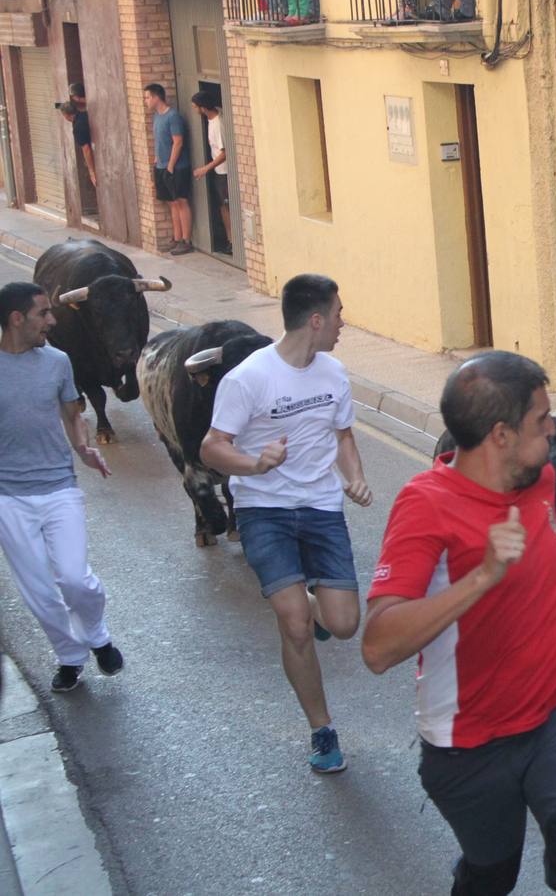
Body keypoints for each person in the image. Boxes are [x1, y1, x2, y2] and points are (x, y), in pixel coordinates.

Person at [362, 351, 556, 896]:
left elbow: (551, 547)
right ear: (500, 434)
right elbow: (378, 645)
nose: (555, 427)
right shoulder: (425, 505)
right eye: (541, 419)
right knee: (491, 872)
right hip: (469, 742)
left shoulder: (540, 478)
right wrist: (481, 578)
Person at [200, 273, 371, 774]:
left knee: (342, 624)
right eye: (338, 313)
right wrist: (255, 465)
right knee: (294, 622)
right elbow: (212, 447)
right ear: (315, 321)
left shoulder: (334, 373)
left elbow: (343, 436)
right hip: (264, 510)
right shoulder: (249, 379)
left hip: (321, 507)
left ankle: (313, 605)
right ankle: (322, 731)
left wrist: (354, 478)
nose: (342, 322)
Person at [0, 282, 123, 694]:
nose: (51, 320)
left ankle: (97, 634)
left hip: (58, 487)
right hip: (8, 498)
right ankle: (71, 656)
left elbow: (73, 414)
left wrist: (83, 448)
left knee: (74, 578)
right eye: (43, 313)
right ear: (17, 319)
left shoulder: (57, 362)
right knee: (39, 593)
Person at [143, 83, 193, 256]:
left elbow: (177, 141)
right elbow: (159, 142)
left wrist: (170, 165)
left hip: (176, 167)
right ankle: (176, 237)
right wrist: (157, 163)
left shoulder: (173, 116)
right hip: (161, 165)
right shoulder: (157, 117)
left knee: (181, 201)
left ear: (157, 97)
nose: (146, 101)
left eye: (148, 97)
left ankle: (186, 240)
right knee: (171, 202)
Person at [190, 91, 232, 256]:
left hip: (224, 172)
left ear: (203, 108)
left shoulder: (218, 124)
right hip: (218, 171)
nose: (195, 111)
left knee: (227, 207)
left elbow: (224, 153)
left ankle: (232, 242)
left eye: (196, 107)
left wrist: (205, 168)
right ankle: (229, 240)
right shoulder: (213, 118)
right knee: (223, 207)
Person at [58, 100, 95, 188]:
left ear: (66, 115)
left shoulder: (77, 128)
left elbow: (86, 149)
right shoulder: (86, 114)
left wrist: (91, 171)